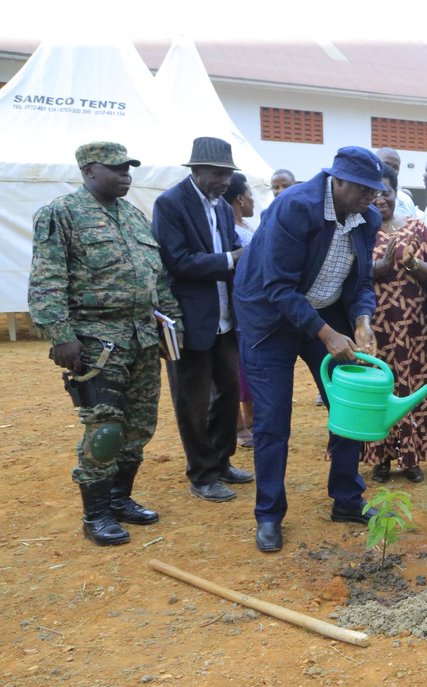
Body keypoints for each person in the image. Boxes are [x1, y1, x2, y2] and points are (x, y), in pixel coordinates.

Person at [28, 141, 184, 545]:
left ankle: (120, 499)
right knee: (105, 429)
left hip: (144, 339)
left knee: (139, 428)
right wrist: (61, 336)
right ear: (88, 170)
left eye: (128, 167)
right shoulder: (61, 214)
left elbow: (158, 280)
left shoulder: (133, 217)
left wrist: (173, 326)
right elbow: (46, 281)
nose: (125, 175)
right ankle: (95, 515)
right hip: (97, 342)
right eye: (115, 168)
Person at [233, 146, 385, 553]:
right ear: (338, 180)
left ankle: (347, 499)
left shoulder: (366, 219)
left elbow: (362, 283)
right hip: (269, 320)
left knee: (350, 405)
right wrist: (327, 334)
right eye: (364, 189)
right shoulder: (294, 207)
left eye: (376, 190)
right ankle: (268, 515)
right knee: (273, 421)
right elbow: (277, 286)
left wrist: (361, 322)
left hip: (323, 315)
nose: (373, 198)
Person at [153, 137, 253, 503]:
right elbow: (176, 261)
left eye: (228, 174)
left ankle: (222, 460)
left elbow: (230, 255)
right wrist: (231, 259)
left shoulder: (223, 208)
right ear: (195, 170)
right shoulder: (170, 204)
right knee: (192, 400)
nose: (225, 182)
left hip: (226, 319)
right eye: (217, 174)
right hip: (189, 320)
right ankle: (201, 474)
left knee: (227, 393)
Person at [361, 166, 427, 484]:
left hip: (415, 330)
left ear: (397, 193)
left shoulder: (416, 228)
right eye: (373, 192)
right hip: (374, 331)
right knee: (379, 390)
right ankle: (381, 458)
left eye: (386, 192)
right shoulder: (359, 231)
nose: (380, 199)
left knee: (414, 389)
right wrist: (379, 268)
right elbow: (348, 277)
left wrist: (412, 262)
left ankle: (412, 458)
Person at [222, 172, 257, 449]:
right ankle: (238, 424)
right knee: (236, 366)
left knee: (247, 365)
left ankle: (250, 420)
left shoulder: (244, 224)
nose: (254, 200)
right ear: (240, 198)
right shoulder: (232, 230)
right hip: (237, 304)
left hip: (252, 307)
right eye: (251, 194)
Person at [374, 147, 419, 219]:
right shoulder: (363, 196)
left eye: (395, 167)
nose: (390, 169)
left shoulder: (405, 201)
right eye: (386, 164)